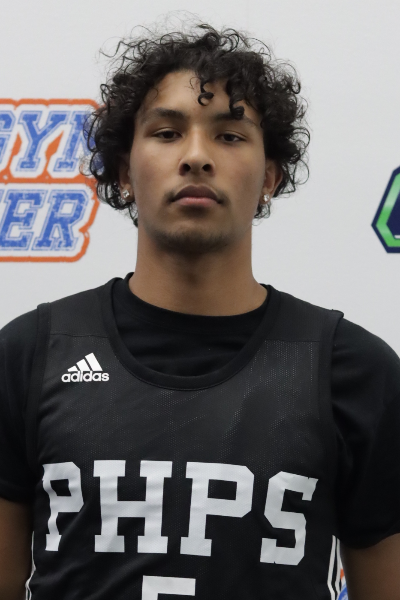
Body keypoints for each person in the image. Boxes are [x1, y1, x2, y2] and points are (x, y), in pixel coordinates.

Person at [0, 22, 399, 600]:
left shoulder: (355, 371)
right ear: (123, 172)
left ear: (269, 177)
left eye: (229, 136)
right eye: (166, 132)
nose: (195, 157)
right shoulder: (28, 356)